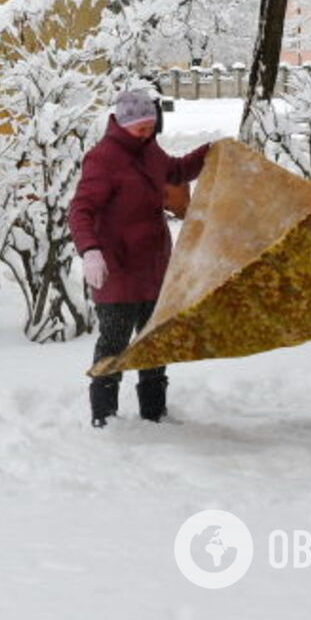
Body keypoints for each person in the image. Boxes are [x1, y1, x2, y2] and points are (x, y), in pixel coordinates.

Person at [69, 89, 212, 427]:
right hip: (116, 268)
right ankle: (104, 418)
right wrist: (90, 251)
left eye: (151, 127)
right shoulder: (103, 158)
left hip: (153, 264)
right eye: (141, 129)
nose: (147, 133)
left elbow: (174, 171)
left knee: (155, 341)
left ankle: (154, 414)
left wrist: (209, 154)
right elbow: (81, 210)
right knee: (114, 343)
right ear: (122, 123)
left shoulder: (149, 150)